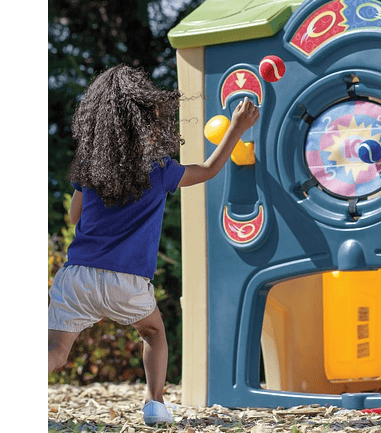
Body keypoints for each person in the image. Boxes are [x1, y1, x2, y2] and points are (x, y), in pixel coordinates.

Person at [47, 65, 259, 426]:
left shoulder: (89, 166)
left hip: (77, 277)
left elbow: (73, 217)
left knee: (56, 350)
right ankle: (155, 404)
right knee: (153, 332)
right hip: (127, 282)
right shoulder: (159, 168)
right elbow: (208, 170)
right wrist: (236, 128)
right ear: (145, 118)